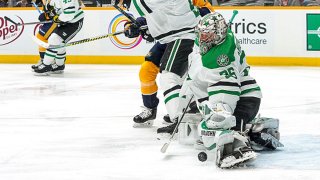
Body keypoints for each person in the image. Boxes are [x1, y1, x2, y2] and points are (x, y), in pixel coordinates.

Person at [126, 0, 215, 128]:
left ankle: (181, 112)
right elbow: (150, 15)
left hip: (183, 35)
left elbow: (207, 12)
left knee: (173, 75)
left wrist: (200, 16)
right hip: (166, 39)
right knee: (146, 71)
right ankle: (150, 109)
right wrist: (135, 26)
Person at [34, 0, 84, 75]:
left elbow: (69, 14)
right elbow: (53, 9)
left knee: (54, 40)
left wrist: (58, 19)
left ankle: (46, 65)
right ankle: (59, 66)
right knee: (59, 43)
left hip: (74, 23)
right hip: (66, 21)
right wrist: (49, 15)